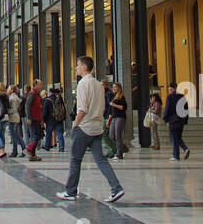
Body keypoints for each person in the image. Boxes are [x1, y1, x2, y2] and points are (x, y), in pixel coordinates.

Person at [58, 55, 124, 203]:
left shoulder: (82, 85)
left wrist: (75, 124)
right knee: (101, 159)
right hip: (97, 127)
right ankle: (116, 188)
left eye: (78, 65)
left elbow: (82, 109)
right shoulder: (98, 85)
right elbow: (102, 107)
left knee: (75, 160)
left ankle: (70, 191)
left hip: (84, 127)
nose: (76, 68)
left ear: (85, 67)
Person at [164, 83, 190, 161]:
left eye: (169, 90)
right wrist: (185, 120)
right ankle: (185, 149)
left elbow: (167, 109)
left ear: (171, 89)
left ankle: (176, 155)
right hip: (181, 120)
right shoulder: (182, 97)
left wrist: (166, 119)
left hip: (173, 120)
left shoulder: (170, 97)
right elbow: (186, 109)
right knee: (178, 137)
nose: (169, 91)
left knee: (174, 138)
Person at [106, 83, 129, 160]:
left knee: (117, 135)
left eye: (115, 87)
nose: (114, 88)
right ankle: (124, 148)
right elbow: (111, 110)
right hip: (114, 117)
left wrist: (114, 105)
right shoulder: (114, 96)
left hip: (120, 117)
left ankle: (119, 154)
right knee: (111, 136)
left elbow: (124, 107)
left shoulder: (121, 96)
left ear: (119, 88)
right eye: (113, 87)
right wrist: (109, 119)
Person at [25, 79, 46, 161]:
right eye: (40, 84)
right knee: (36, 135)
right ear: (35, 85)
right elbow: (27, 106)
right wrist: (29, 118)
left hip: (37, 118)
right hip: (33, 118)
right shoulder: (32, 94)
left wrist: (41, 120)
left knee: (38, 135)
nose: (41, 86)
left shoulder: (37, 95)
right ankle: (30, 148)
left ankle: (33, 154)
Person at [5, 84, 24, 157]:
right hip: (15, 117)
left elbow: (13, 109)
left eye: (9, 88)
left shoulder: (12, 98)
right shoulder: (14, 97)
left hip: (13, 117)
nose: (7, 90)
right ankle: (17, 150)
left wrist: (6, 111)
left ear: (12, 90)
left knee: (15, 135)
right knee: (15, 135)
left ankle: (20, 149)